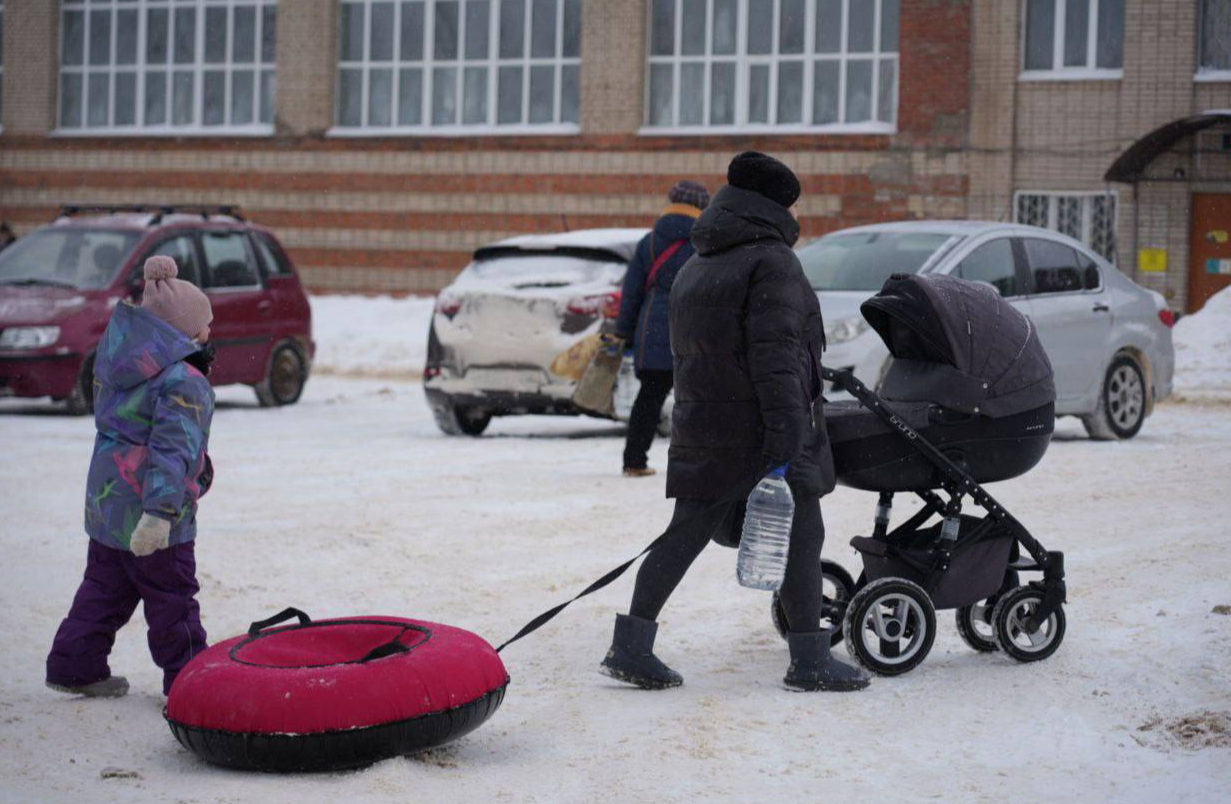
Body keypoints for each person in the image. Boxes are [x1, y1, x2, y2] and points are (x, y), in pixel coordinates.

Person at [599, 152, 870, 692]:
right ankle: (809, 660)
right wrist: (787, 434)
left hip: (704, 422)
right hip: (760, 426)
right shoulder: (771, 262)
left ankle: (630, 646)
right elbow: (776, 361)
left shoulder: (701, 260)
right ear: (777, 207)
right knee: (803, 532)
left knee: (686, 532)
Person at [46, 256, 216, 698]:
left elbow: (128, 436)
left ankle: (75, 664)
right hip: (152, 516)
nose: (209, 333)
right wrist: (160, 513)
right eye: (204, 325)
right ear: (181, 332)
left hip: (108, 508)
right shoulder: (183, 380)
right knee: (173, 599)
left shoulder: (120, 362)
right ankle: (190, 682)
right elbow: (171, 449)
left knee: (104, 590)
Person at [614, 180, 710, 478]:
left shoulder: (651, 240)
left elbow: (631, 292)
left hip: (651, 331)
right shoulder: (706, 241)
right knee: (697, 399)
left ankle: (634, 460)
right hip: (690, 329)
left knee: (649, 398)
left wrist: (624, 332)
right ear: (702, 207)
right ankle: (699, 463)